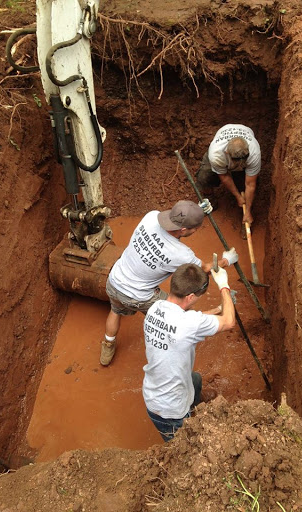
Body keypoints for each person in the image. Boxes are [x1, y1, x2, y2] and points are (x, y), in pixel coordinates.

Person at [101, 200, 238, 366]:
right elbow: (205, 269)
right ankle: (213, 314)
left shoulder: (151, 217)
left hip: (114, 280)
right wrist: (226, 260)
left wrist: (196, 211)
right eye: (195, 228)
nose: (196, 231)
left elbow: (177, 215)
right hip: (139, 296)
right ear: (183, 230)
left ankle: (108, 345)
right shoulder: (182, 254)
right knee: (180, 313)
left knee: (116, 310)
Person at [142, 263, 235, 441]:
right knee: (184, 448)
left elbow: (188, 321)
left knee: (196, 379)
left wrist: (217, 310)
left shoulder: (155, 308)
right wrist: (224, 285)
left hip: (153, 390)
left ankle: (196, 409)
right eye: (198, 297)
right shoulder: (189, 323)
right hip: (169, 411)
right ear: (190, 296)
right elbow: (229, 322)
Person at [196, 124, 261, 229]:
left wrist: (247, 210)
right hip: (221, 156)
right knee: (204, 177)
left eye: (243, 161)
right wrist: (237, 196)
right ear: (227, 152)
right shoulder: (216, 155)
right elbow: (225, 177)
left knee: (244, 186)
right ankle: (210, 200)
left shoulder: (254, 153)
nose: (240, 164)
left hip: (242, 154)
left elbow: (250, 184)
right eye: (236, 161)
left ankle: (246, 217)